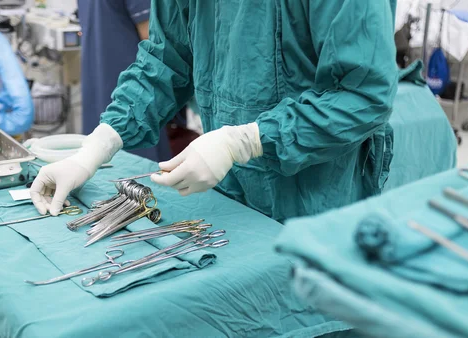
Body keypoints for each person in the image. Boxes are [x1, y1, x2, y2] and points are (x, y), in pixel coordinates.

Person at [31, 0, 399, 223]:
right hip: (231, 194)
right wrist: (97, 147)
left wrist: (245, 141)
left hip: (316, 199)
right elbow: (164, 62)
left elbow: (361, 93)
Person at [78, 0, 172, 162]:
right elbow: (155, 41)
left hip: (105, 91)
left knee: (102, 162)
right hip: (134, 96)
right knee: (139, 174)